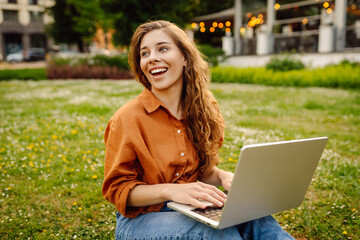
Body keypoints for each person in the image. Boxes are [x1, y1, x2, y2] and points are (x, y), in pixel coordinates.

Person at [102, 20, 295, 240]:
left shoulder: (206, 109)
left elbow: (204, 172)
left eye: (163, 48)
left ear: (184, 57)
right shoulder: (127, 118)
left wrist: (223, 177)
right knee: (216, 232)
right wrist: (171, 190)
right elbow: (118, 190)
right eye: (144, 53)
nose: (152, 57)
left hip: (193, 206)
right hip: (141, 220)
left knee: (257, 218)